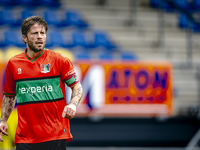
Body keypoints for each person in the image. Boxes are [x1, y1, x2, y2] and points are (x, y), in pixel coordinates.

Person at [0, 16, 83, 150]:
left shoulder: (59, 60)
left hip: (55, 135)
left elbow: (77, 86)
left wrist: (73, 104)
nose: (40, 37)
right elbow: (9, 95)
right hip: (25, 136)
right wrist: (3, 120)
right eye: (35, 33)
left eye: (42, 33)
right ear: (24, 38)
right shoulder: (13, 64)